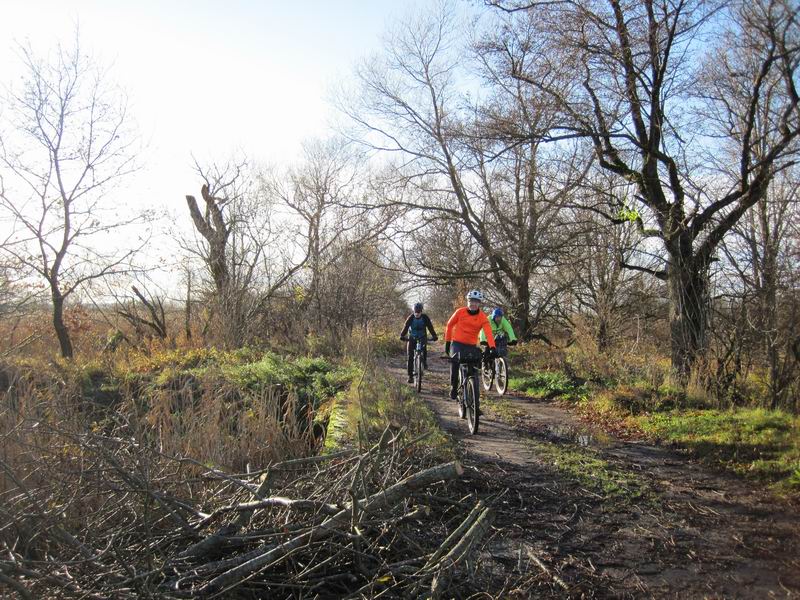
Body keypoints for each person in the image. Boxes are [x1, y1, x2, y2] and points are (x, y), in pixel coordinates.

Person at [443, 290, 496, 400]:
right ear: (468, 302)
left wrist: (492, 347)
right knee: (455, 362)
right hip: (457, 343)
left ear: (479, 303)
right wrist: (448, 342)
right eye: (471, 301)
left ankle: (473, 399)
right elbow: (449, 325)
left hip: (471, 345)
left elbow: (488, 333)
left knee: (474, 369)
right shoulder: (460, 312)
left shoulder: (482, 317)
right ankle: (453, 387)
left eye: (476, 302)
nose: (473, 304)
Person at [400, 302, 438, 383]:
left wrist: (434, 336)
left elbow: (430, 327)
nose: (417, 314)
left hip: (422, 336)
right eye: (415, 312)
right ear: (413, 311)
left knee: (424, 350)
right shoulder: (410, 317)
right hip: (412, 337)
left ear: (421, 311)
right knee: (410, 357)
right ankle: (410, 376)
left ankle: (424, 363)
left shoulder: (425, 317)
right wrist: (402, 335)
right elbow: (406, 327)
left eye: (418, 312)